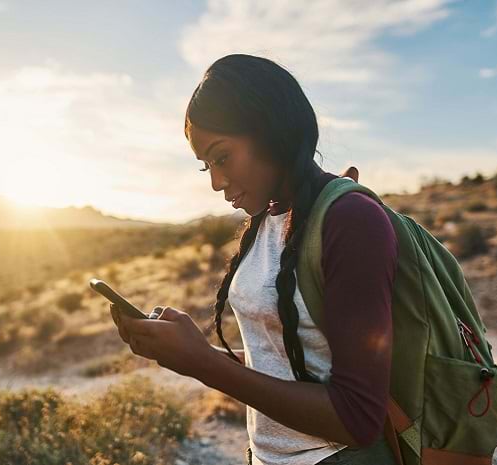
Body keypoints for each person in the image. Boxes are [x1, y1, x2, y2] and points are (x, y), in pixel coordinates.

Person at [111, 54, 399, 465]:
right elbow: (289, 363)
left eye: (223, 157)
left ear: (272, 133)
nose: (215, 182)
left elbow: (358, 418)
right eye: (206, 166)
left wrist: (205, 363)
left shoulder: (351, 220)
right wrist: (188, 349)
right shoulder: (266, 219)